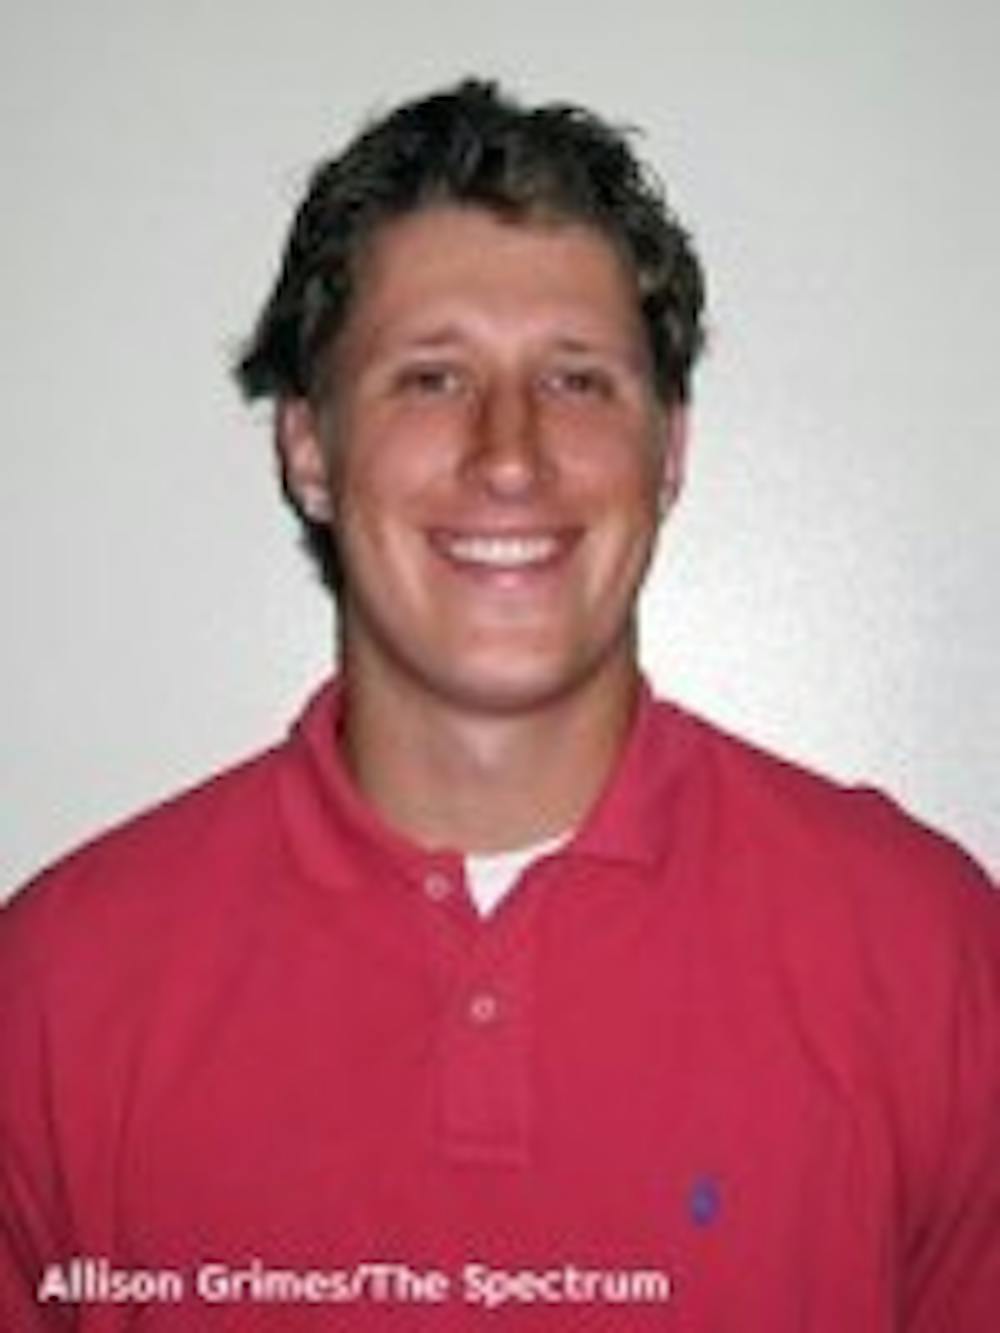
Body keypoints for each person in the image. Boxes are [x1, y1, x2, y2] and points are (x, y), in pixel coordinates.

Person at [1, 79, 997, 1332]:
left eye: (576, 380)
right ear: (307, 448)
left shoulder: (926, 951)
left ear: (669, 451)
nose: (511, 454)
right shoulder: (56, 990)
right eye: (431, 378)